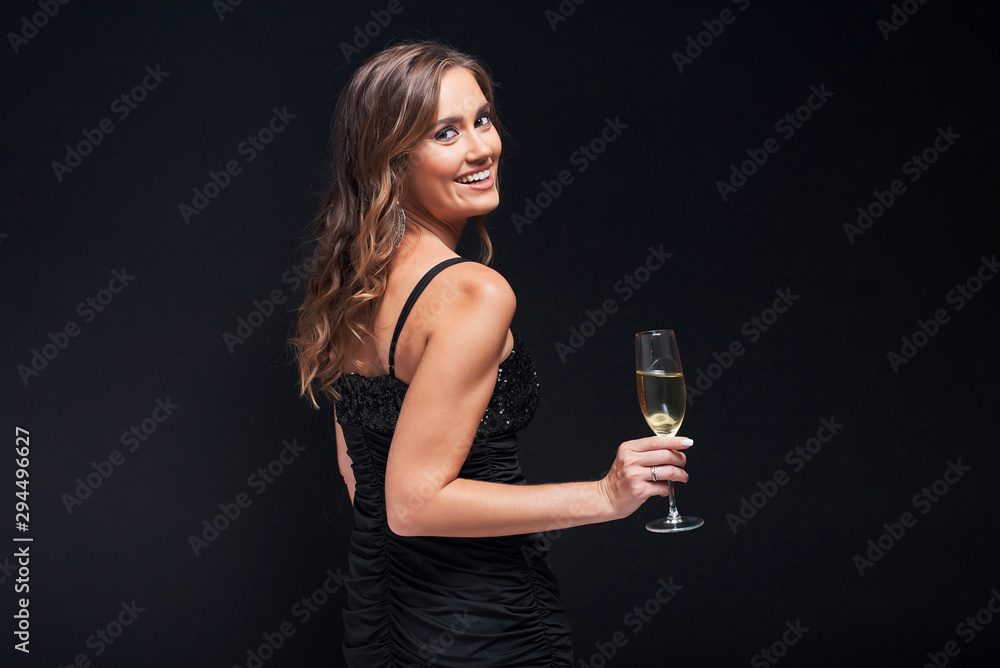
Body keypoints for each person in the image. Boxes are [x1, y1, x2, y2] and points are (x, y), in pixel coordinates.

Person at [291, 41, 693, 666]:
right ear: (392, 160)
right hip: (484, 624)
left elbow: (359, 478)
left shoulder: (353, 286)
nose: (482, 147)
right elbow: (412, 504)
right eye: (446, 133)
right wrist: (605, 495)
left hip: (380, 617)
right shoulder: (473, 293)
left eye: (482, 119)